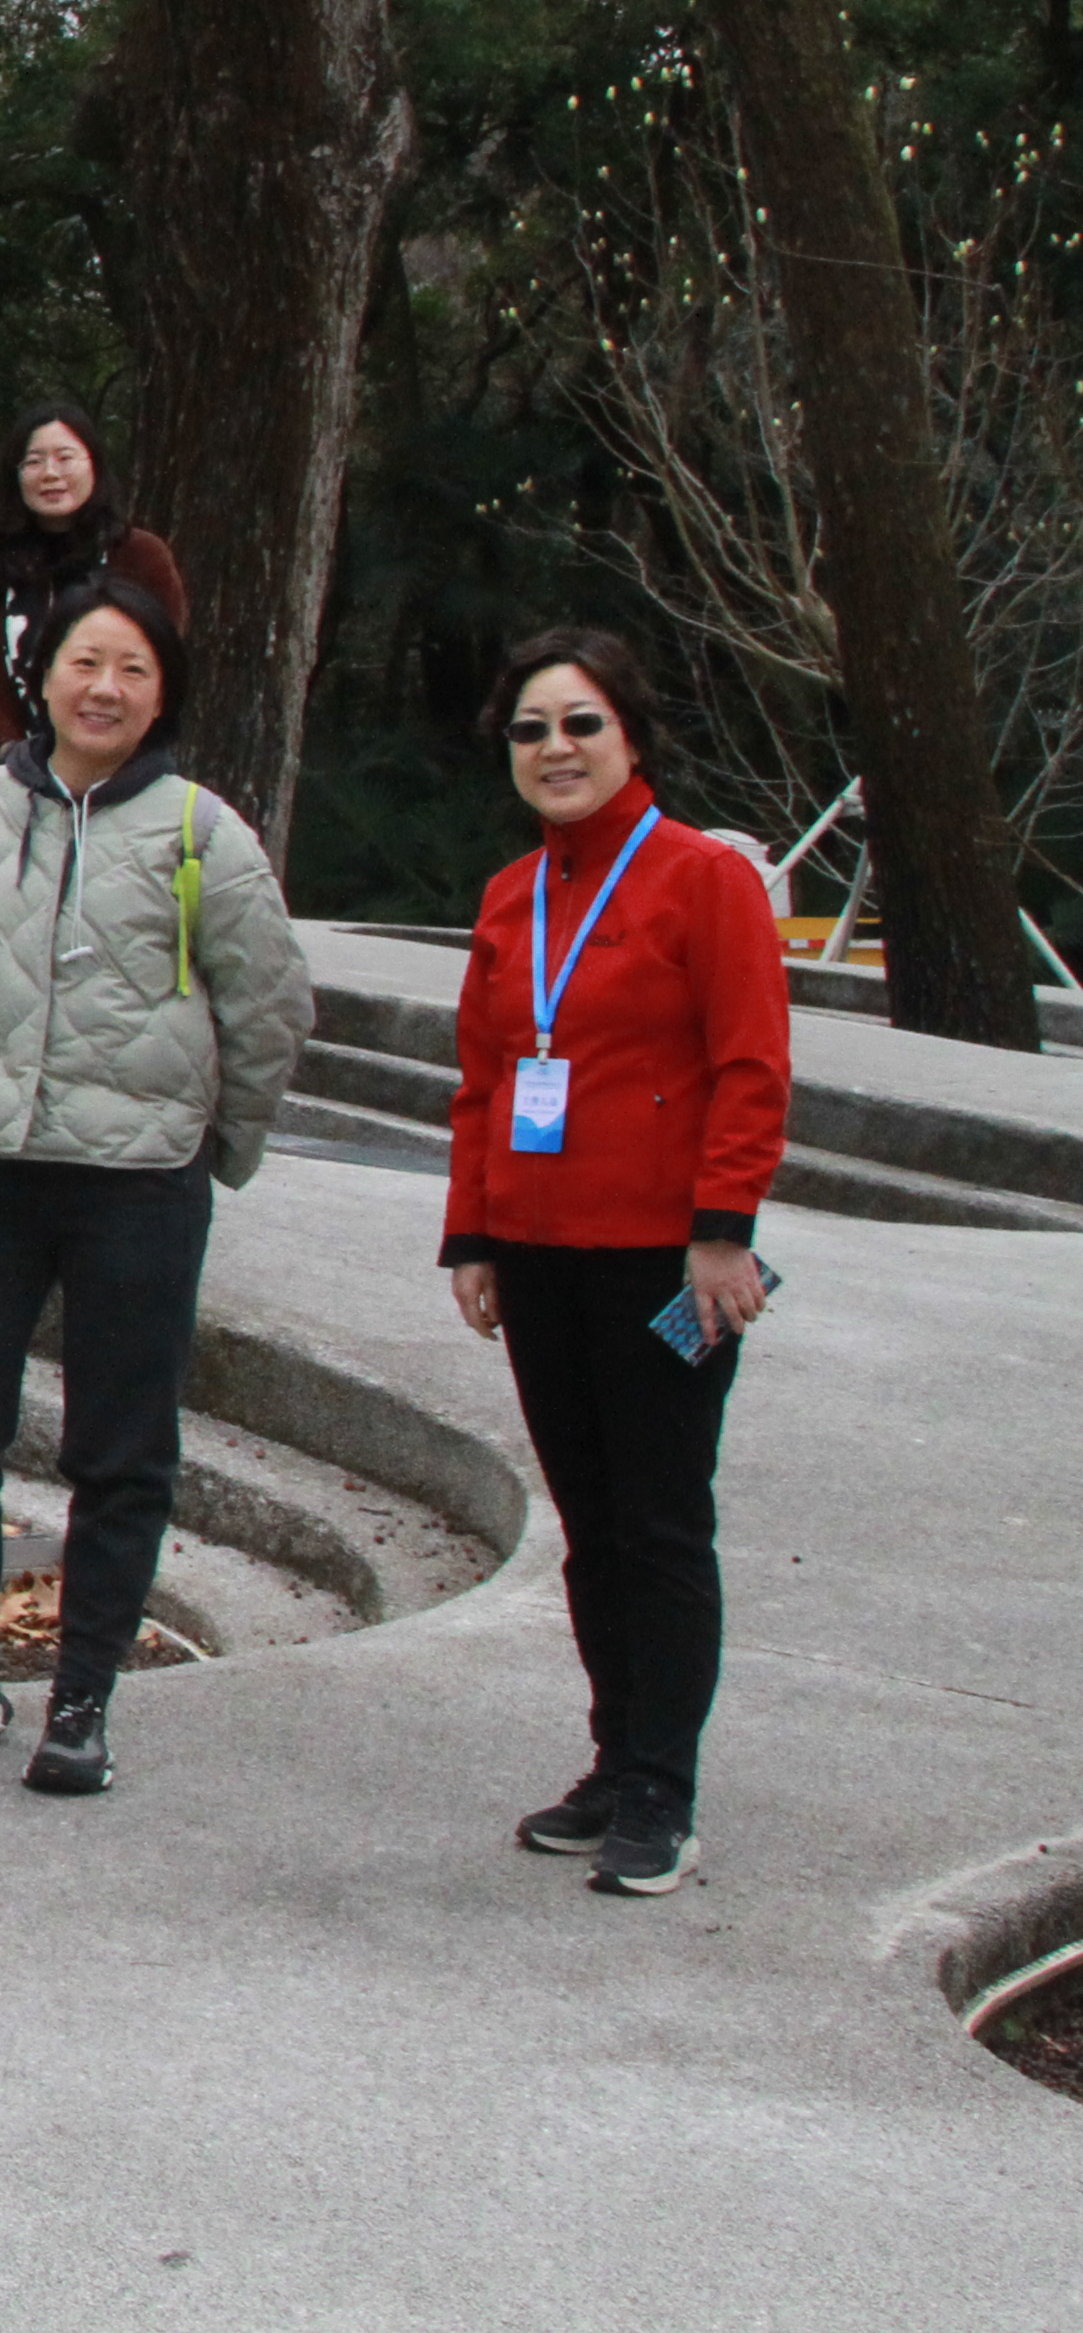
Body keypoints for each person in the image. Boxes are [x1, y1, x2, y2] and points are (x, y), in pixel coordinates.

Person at [0, 577, 309, 1796]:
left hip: (138, 1183)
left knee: (121, 1447)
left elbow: (267, 1004)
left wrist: (223, 1147)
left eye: (134, 672)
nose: (104, 689)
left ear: (162, 696)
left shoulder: (204, 832)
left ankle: (85, 1697)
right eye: (83, 663)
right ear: (41, 675)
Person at [440, 629, 781, 1901]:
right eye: (532, 729)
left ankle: (663, 1787)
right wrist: (470, 1232)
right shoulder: (509, 895)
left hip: (662, 1260)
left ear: (630, 735)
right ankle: (611, 1756)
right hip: (534, 1252)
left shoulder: (703, 880)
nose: (556, 749)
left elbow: (750, 1067)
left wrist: (722, 1228)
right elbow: (483, 1081)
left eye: (580, 723)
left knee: (658, 1520)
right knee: (587, 1524)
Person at [0, 404, 188, 771]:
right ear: (15, 475)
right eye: (34, 461)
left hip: (122, 768)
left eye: (65, 458)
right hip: (12, 773)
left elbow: (162, 660)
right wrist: (3, 750)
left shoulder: (141, 557)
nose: (50, 473)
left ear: (94, 464)